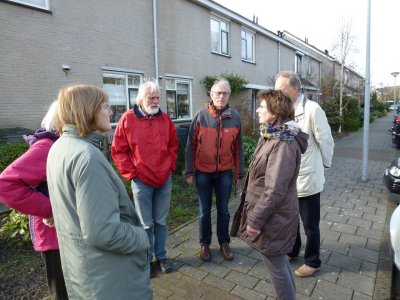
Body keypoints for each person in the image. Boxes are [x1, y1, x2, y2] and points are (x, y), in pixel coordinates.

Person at [47, 84, 152, 299]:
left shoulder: (60, 147)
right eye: (105, 106)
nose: (111, 112)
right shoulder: (87, 157)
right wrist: (142, 236)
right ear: (89, 110)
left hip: (85, 269)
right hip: (107, 278)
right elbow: (104, 232)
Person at [231, 89, 308, 300]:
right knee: (279, 261)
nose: (257, 110)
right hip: (274, 215)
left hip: (273, 217)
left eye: (262, 107)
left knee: (276, 265)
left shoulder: (282, 143)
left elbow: (274, 190)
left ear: (275, 112)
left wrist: (254, 221)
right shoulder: (271, 135)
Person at [0, 101, 68, 300]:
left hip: (65, 232)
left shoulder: (62, 145)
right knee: (63, 293)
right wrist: (51, 209)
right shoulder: (48, 147)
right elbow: (6, 185)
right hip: (54, 236)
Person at [111, 81, 178, 277]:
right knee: (145, 223)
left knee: (161, 221)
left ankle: (162, 256)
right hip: (142, 182)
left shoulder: (165, 119)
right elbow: (118, 151)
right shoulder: (128, 119)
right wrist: (132, 174)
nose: (156, 101)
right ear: (141, 99)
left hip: (164, 179)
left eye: (158, 97)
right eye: (152, 97)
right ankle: (146, 260)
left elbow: (174, 146)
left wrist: (170, 166)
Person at [274, 71, 334, 278]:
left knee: (310, 224)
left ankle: (313, 261)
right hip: (288, 178)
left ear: (296, 89)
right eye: (276, 90)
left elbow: (326, 140)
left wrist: (325, 165)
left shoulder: (312, 110)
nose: (278, 94)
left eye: (281, 89)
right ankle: (292, 250)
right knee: (290, 219)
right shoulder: (282, 111)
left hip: (307, 176)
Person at [185, 79, 245, 262]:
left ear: (229, 95)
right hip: (203, 171)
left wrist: (239, 173)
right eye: (218, 93)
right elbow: (190, 146)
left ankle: (224, 243)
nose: (221, 96)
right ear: (211, 95)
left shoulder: (235, 118)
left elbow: (238, 148)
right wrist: (189, 171)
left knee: (224, 210)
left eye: (225, 93)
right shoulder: (200, 116)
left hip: (225, 173)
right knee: (204, 211)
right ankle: (204, 244)